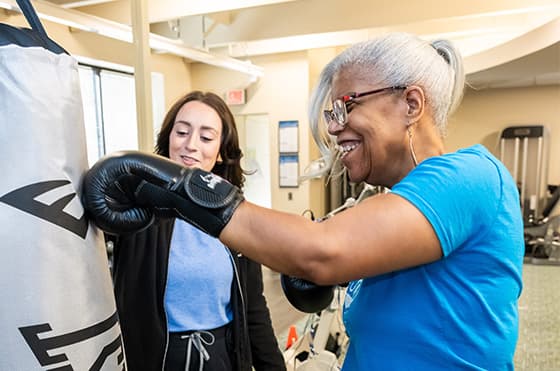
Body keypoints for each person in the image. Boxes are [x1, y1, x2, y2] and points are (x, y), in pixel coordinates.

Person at [83, 33, 524, 370]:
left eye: (344, 108)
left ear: (411, 103)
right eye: (331, 115)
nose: (334, 129)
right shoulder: (392, 204)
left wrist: (181, 187)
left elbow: (321, 251)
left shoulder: (472, 177)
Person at [107, 91, 286, 371]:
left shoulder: (238, 217)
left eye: (205, 137)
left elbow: (253, 310)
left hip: (221, 358)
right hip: (156, 360)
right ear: (168, 138)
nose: (191, 145)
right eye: (182, 132)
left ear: (220, 152)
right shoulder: (137, 209)